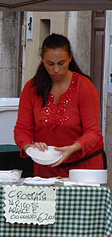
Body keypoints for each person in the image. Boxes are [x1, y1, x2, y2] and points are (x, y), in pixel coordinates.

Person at [14, 33, 106, 178]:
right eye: (50, 64)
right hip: (46, 168)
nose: (56, 70)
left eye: (61, 63)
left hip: (84, 168)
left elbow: (93, 132)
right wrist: (29, 147)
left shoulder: (84, 87)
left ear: (70, 57)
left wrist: (73, 148)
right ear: (42, 59)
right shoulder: (31, 88)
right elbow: (22, 129)